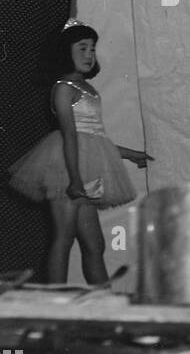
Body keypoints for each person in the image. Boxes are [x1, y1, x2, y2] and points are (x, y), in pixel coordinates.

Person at [8, 22, 153, 283]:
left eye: (93, 49)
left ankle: (102, 301)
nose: (89, 55)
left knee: (95, 244)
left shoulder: (87, 88)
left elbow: (94, 137)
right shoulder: (64, 87)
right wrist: (74, 179)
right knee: (63, 239)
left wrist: (131, 154)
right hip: (66, 169)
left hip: (86, 168)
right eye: (82, 48)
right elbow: (71, 136)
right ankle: (56, 301)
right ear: (66, 51)